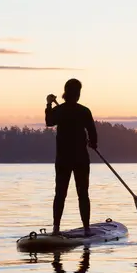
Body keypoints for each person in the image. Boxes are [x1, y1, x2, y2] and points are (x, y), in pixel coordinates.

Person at [45, 78, 98, 236]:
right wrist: (92, 143)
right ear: (76, 94)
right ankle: (86, 228)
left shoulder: (60, 111)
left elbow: (49, 121)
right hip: (80, 158)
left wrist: (48, 104)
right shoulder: (84, 111)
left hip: (64, 159)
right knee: (83, 193)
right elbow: (93, 133)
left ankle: (56, 228)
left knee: (60, 193)